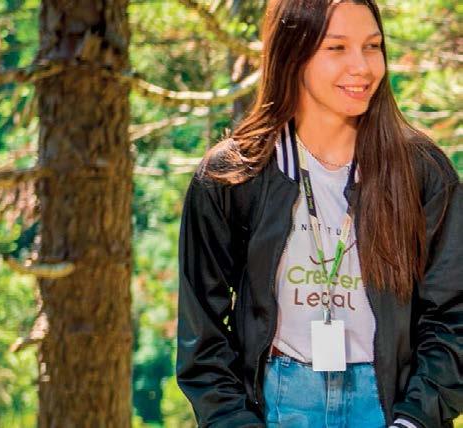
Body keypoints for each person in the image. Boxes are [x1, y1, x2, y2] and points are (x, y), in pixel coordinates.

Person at [176, 0, 462, 427]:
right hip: (277, 401)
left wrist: (415, 420)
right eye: (337, 47)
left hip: (389, 404)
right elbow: (202, 334)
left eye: (372, 46)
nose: (362, 67)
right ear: (293, 53)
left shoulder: (423, 173)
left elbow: (453, 317)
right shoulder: (234, 177)